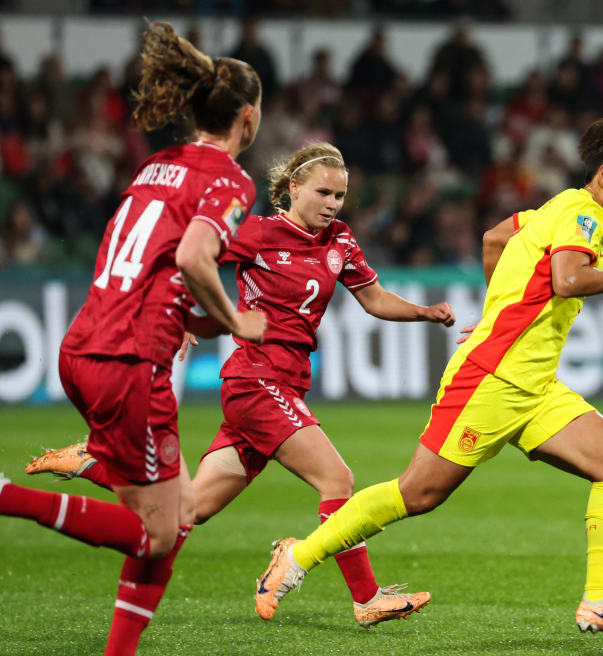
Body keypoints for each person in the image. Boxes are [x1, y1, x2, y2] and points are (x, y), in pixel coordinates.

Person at [252, 116, 603, 640]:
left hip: (535, 387)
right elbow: (566, 280)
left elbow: (495, 237)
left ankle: (601, 601)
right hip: (491, 380)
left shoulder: (554, 207)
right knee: (418, 494)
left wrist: (499, 310)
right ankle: (298, 555)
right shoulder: (584, 215)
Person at [26, 142, 456, 627]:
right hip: (256, 381)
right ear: (293, 187)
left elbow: (373, 298)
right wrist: (182, 312)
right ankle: (365, 597)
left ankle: (93, 461)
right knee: (337, 480)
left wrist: (425, 313)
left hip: (286, 384)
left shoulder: (340, 240)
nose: (333, 203)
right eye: (323, 192)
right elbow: (191, 256)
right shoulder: (257, 232)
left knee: (190, 508)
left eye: (340, 195)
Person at [0, 22, 265, 656]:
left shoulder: (157, 164)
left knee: (179, 518)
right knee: (156, 535)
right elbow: (195, 259)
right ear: (248, 119)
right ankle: (6, 497)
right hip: (129, 362)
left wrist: (186, 320)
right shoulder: (230, 182)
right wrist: (234, 322)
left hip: (87, 341)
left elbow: (146, 260)